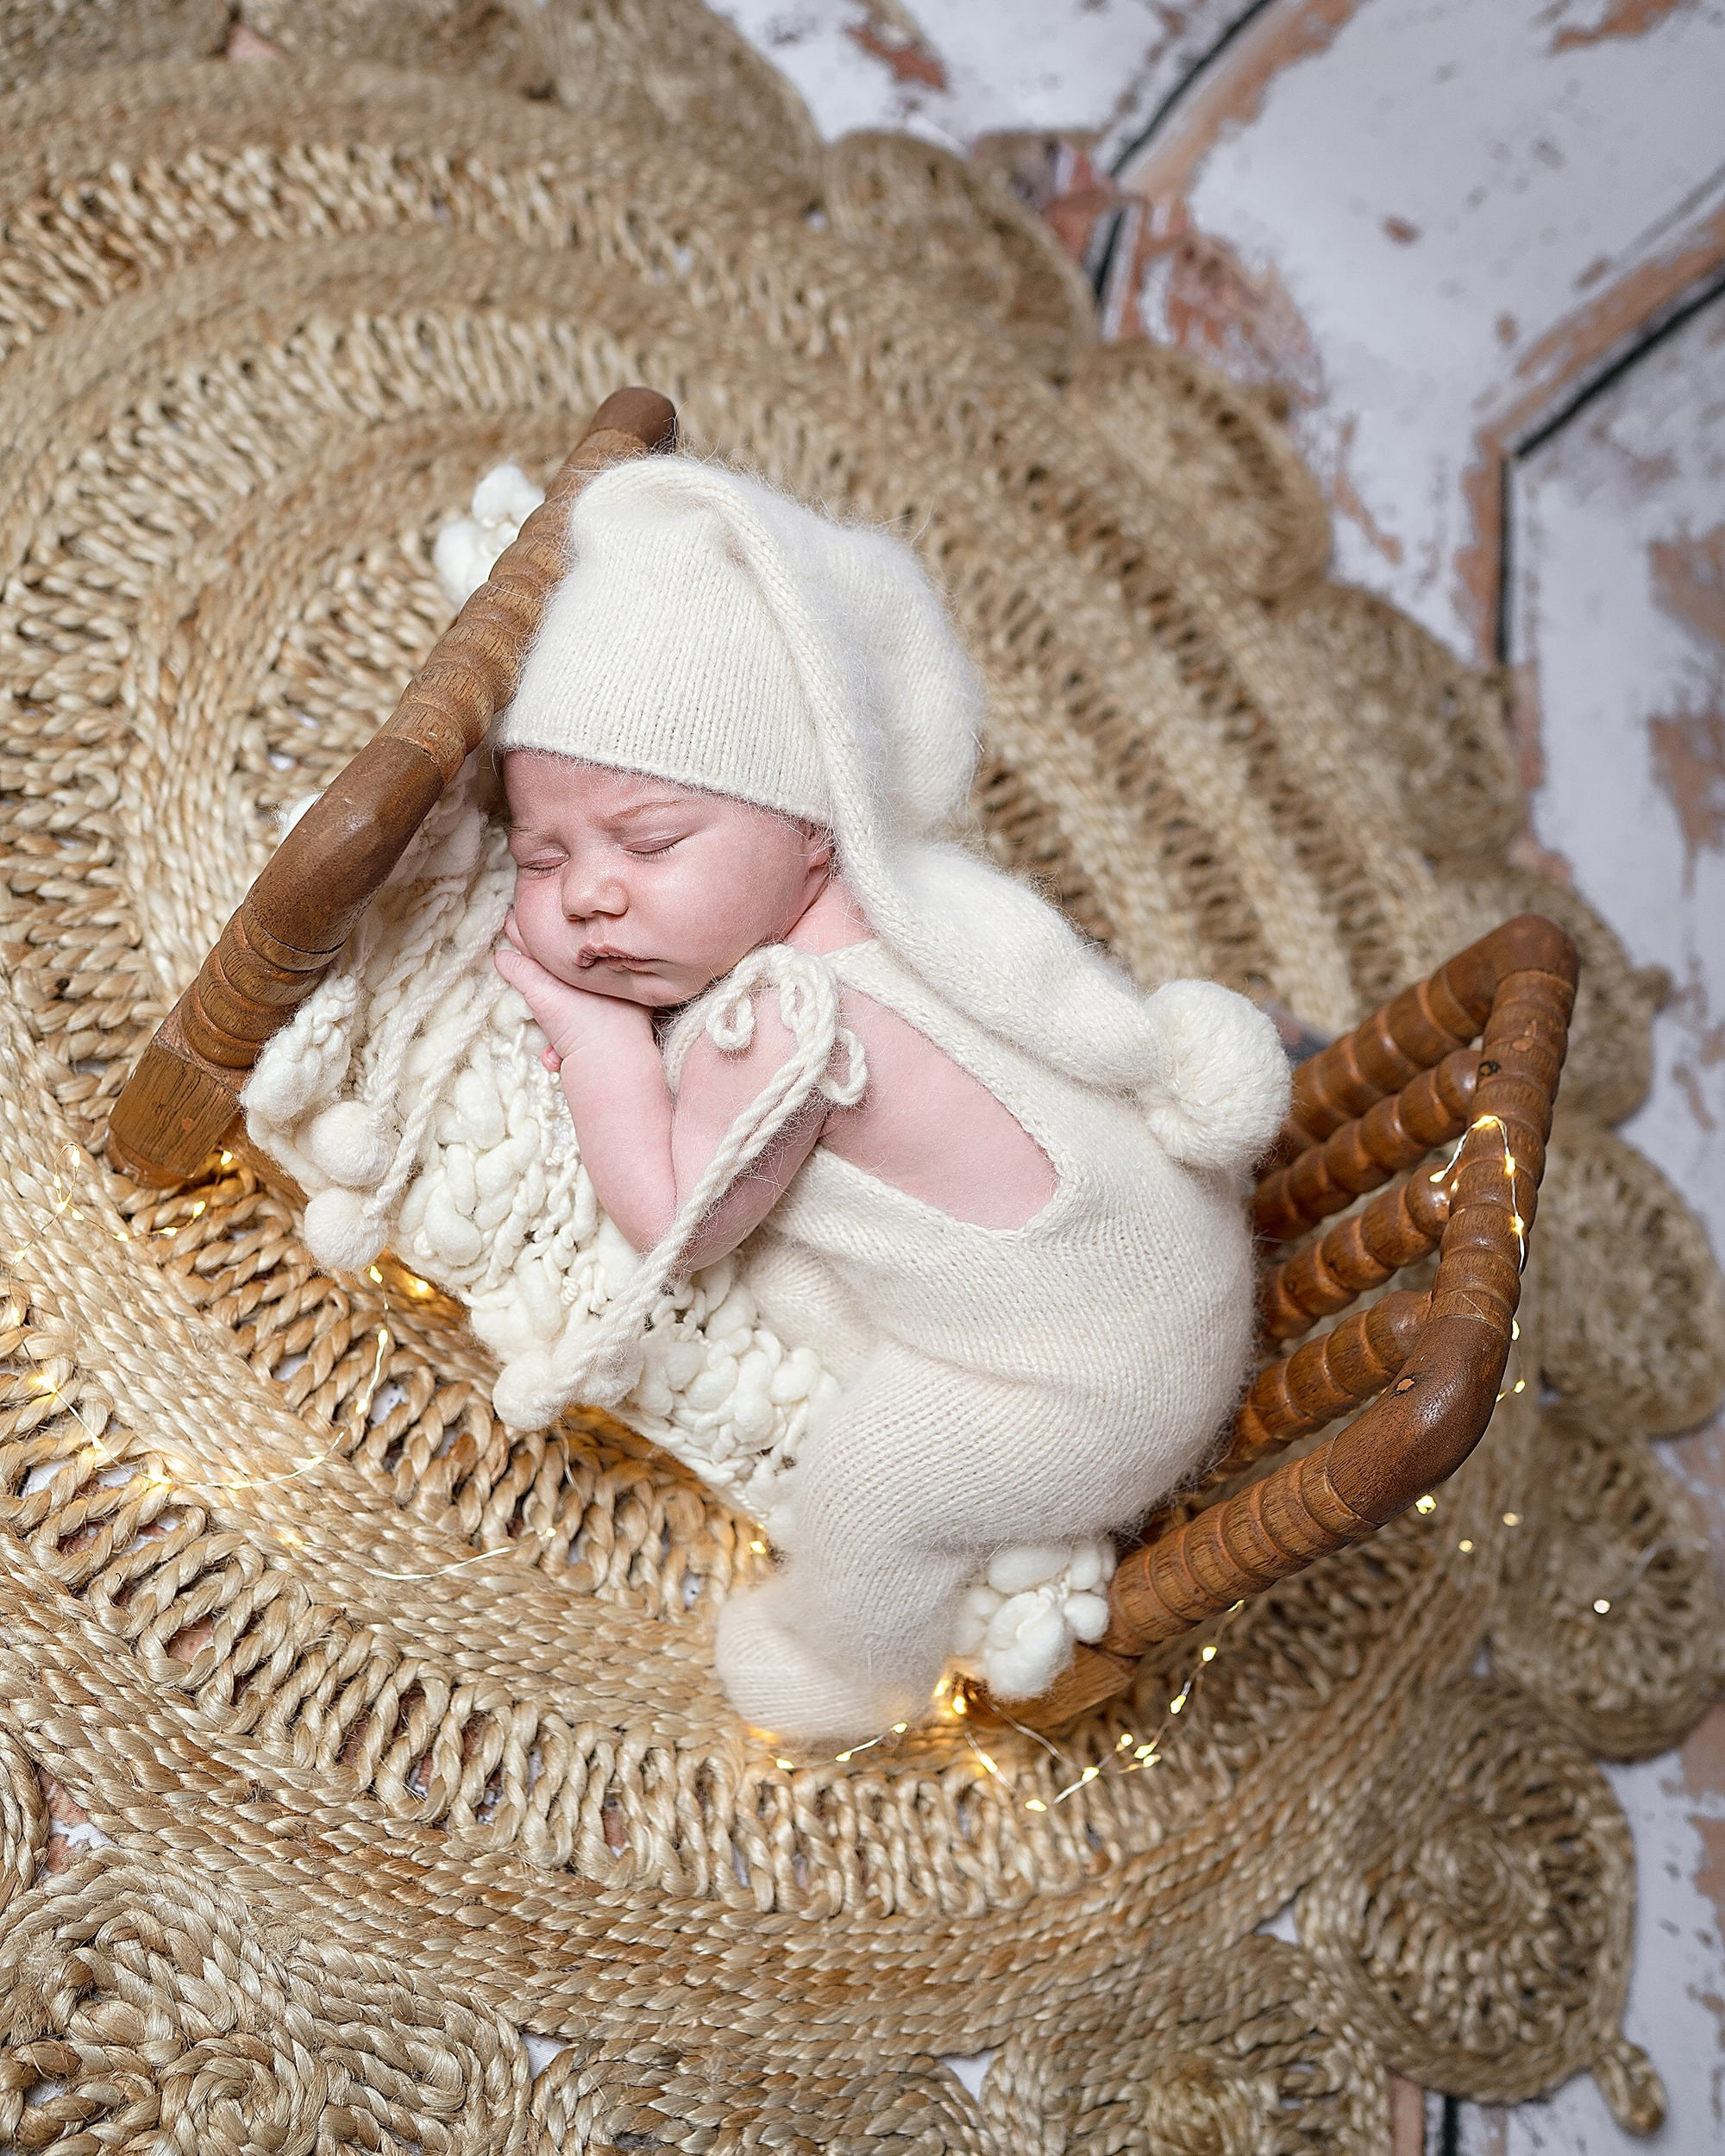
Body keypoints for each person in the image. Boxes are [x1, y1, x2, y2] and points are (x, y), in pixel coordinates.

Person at [483, 454, 1290, 1743]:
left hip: (1091, 1384)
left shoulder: (793, 1020)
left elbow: (669, 1216)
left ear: (810, 830)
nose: (587, 894)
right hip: (1159, 1257)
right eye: (542, 854)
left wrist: (594, 1034)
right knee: (819, 1267)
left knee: (878, 1481)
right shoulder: (909, 897)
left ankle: (844, 1671)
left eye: (648, 844)